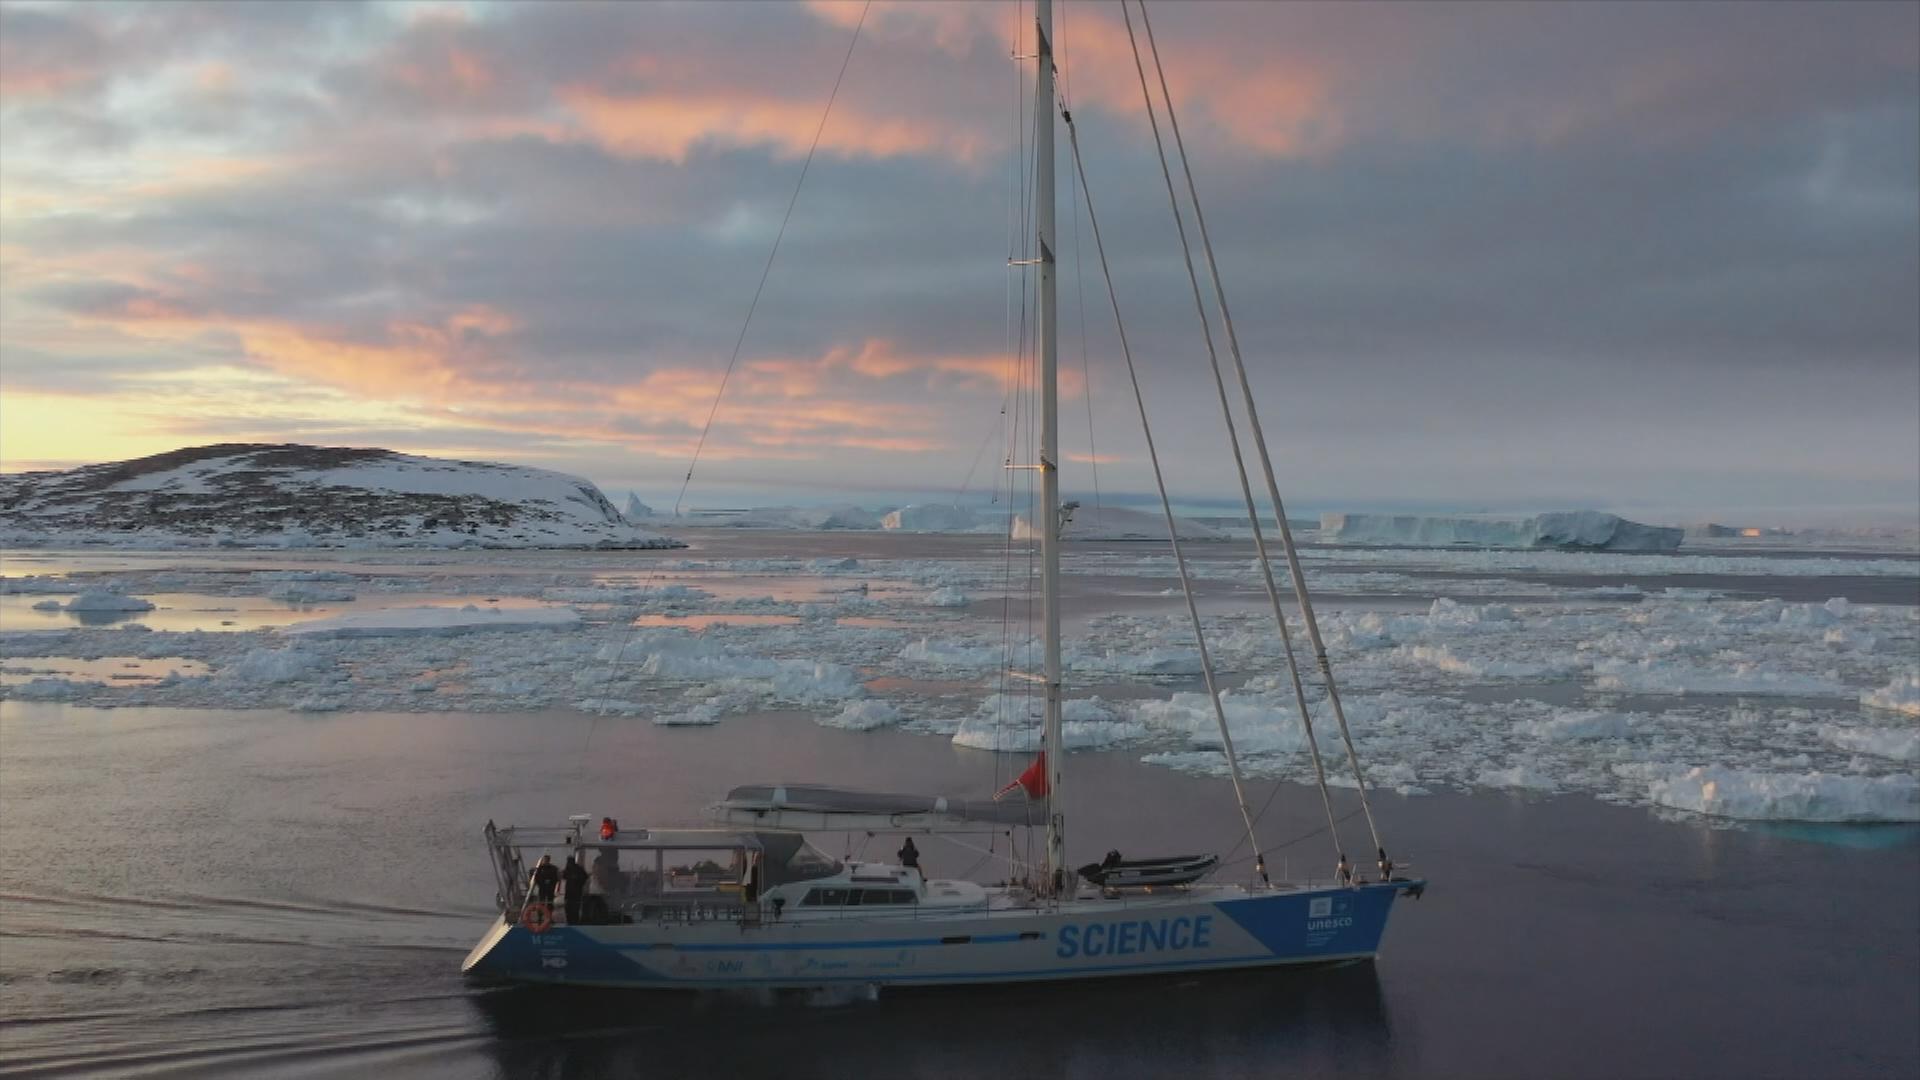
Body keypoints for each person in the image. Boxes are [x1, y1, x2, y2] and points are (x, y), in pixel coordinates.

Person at [561, 854, 590, 924]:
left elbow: (585, 877)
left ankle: (573, 921)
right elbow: (564, 876)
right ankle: (571, 921)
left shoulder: (578, 869)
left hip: (575, 892)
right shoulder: (570, 869)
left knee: (574, 908)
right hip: (571, 892)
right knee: (570, 908)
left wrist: (578, 881)